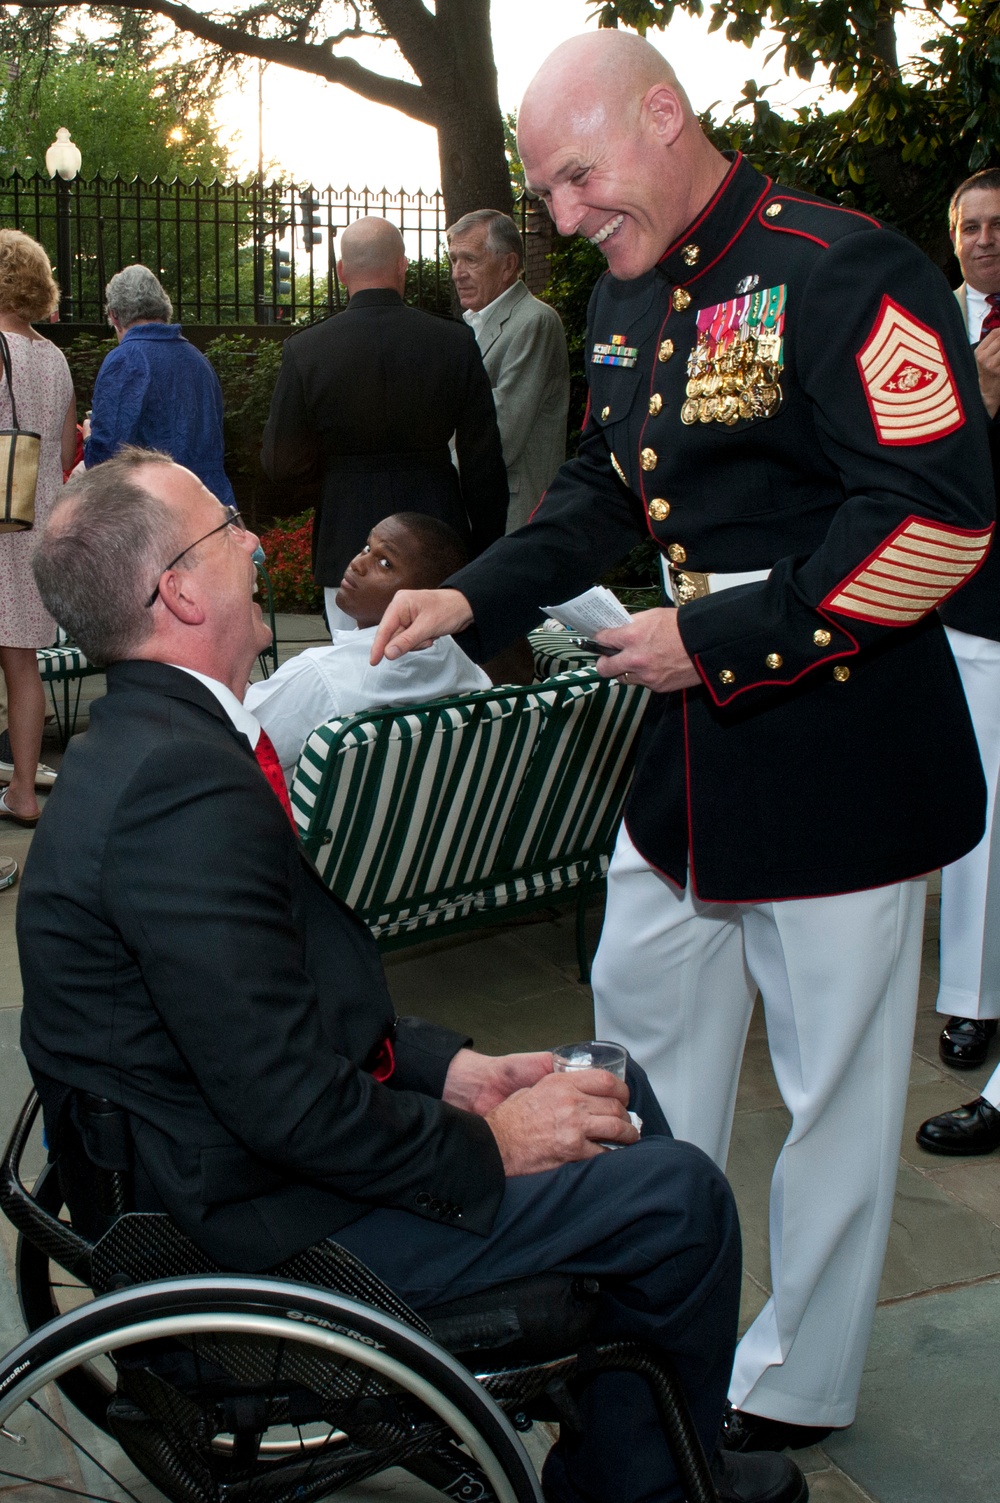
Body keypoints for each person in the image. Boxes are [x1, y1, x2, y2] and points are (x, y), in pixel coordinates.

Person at [371, 30, 995, 1454]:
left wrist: (706, 641)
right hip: (680, 781)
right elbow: (604, 487)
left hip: (838, 760)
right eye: (551, 195)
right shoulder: (630, 293)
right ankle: (643, 1316)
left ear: (666, 115)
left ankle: (796, 1377)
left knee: (835, 1092)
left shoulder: (843, 268)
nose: (572, 216)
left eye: (583, 175)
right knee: (635, 1051)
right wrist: (475, 587)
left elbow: (937, 518)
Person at [17, 448, 804, 1503]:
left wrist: (449, 1069)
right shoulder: (175, 790)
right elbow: (283, 1100)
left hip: (235, 1167)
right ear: (180, 591)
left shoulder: (157, 742)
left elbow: (277, 1013)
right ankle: (646, 1483)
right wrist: (486, 1142)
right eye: (227, 530)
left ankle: (636, 1456)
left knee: (618, 1089)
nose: (255, 545)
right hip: (262, 1238)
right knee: (678, 1201)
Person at [261, 217, 508, 633]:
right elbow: (484, 461)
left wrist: (336, 476)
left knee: (354, 674)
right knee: (439, 673)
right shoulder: (454, 341)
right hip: (437, 533)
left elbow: (280, 462)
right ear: (402, 267)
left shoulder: (307, 350)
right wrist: (483, 548)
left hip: (347, 537)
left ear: (342, 272)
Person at [915, 169, 1000, 1158]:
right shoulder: (928, 329)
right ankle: (972, 1001)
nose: (983, 239)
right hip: (967, 605)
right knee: (976, 816)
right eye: (969, 226)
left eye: (996, 226)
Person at [245, 512, 490, 782]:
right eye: (366, 547)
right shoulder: (466, 669)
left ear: (427, 596)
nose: (358, 564)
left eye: (385, 563)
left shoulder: (321, 677)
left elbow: (236, 749)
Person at [0, 229, 76, 827]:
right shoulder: (53, 358)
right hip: (34, 528)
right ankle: (24, 792)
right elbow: (61, 453)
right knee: (22, 667)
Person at [448, 209, 569, 531]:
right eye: (453, 260)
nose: (457, 273)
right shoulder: (470, 325)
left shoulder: (533, 322)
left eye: (470, 259)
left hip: (512, 516)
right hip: (478, 509)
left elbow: (500, 437)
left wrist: (427, 473)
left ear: (508, 265)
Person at [84, 265, 234, 506]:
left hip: (156, 512)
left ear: (114, 315)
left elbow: (105, 460)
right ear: (164, 308)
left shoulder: (126, 358)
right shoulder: (198, 360)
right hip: (212, 504)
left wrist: (89, 435)